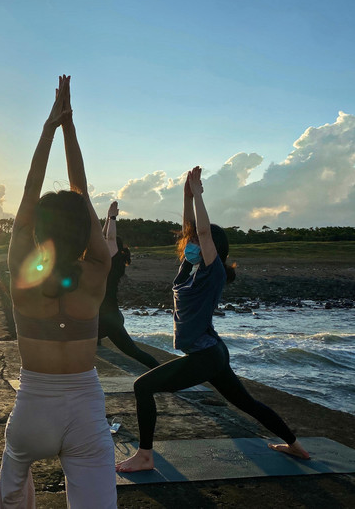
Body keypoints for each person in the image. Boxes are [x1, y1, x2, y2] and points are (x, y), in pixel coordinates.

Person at [115, 166, 310, 473]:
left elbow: (204, 233)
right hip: (211, 351)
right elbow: (190, 231)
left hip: (206, 355)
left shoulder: (213, 272)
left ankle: (145, 455)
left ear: (212, 249)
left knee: (143, 387)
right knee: (246, 403)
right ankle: (296, 446)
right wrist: (186, 197)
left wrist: (199, 196)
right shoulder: (189, 269)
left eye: (199, 242)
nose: (192, 244)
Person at [0, 76, 117, 508]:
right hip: (85, 410)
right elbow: (82, 195)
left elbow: (30, 192)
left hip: (33, 408)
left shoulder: (23, 274)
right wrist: (70, 130)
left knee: (13, 489)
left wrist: (49, 128)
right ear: (85, 228)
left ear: (39, 230)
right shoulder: (97, 270)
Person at [98, 201, 159, 369]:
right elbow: (102, 238)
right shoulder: (105, 261)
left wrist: (112, 217)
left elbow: (110, 238)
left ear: (114, 249)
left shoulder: (114, 263)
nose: (103, 243)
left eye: (107, 242)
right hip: (106, 316)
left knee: (133, 352)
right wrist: (107, 219)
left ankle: (161, 372)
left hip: (108, 319)